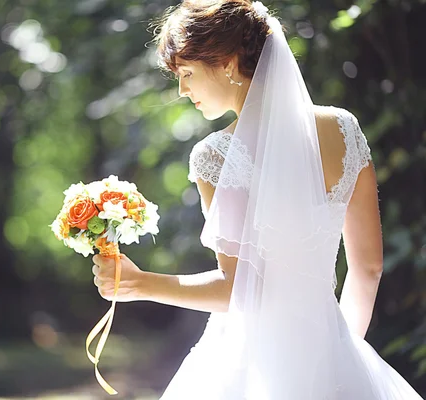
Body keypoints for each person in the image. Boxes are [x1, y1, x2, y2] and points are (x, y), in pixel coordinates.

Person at [91, 0, 423, 398]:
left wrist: (139, 284)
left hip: (248, 368)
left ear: (229, 63)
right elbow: (368, 268)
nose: (181, 90)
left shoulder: (216, 156)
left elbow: (239, 289)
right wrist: (339, 357)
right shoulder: (345, 130)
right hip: (332, 350)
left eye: (187, 73)